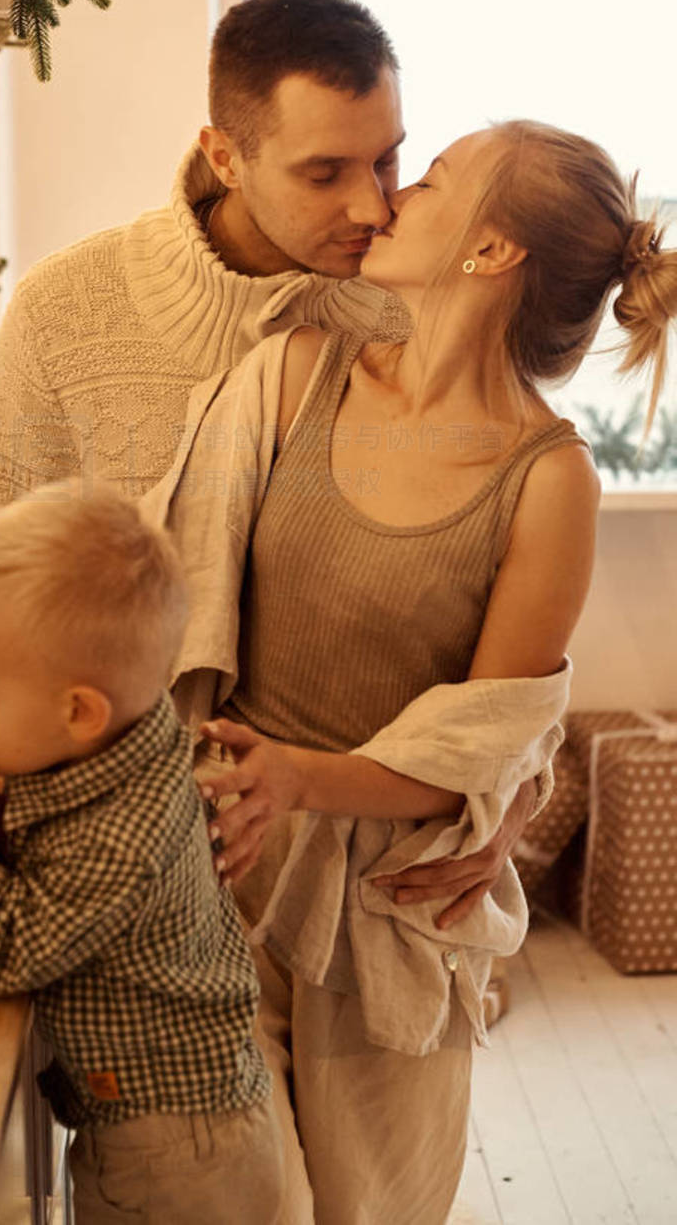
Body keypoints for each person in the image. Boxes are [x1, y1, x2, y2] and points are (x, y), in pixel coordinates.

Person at [143, 118, 677, 1223]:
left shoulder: (547, 479)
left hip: (390, 911)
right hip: (214, 862)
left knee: (366, 1207)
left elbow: (471, 747)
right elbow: (173, 594)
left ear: (489, 254)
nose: (388, 199)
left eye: (425, 182)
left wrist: (303, 775)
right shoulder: (292, 371)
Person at [0, 0, 536, 932]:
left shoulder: (407, 309)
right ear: (224, 155)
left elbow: (507, 573)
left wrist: (513, 790)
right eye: (324, 173)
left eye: (389, 158)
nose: (372, 204)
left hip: (375, 890)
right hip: (132, 893)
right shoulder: (66, 311)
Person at [0, 486, 284, 1225]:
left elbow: (10, 949)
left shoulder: (122, 837)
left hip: (176, 1157)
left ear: (78, 711)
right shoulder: (114, 731)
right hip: (165, 1125)